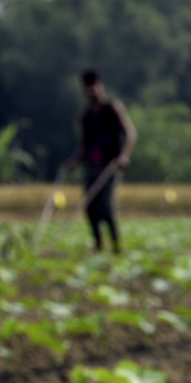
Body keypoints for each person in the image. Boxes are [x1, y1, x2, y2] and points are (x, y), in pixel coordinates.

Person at [64, 69, 137, 253]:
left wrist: (123, 156)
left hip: (110, 166)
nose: (92, 90)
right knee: (89, 208)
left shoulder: (112, 108)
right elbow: (85, 146)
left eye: (95, 85)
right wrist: (73, 162)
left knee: (105, 206)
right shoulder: (86, 116)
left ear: (101, 86)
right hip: (92, 166)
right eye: (88, 87)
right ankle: (98, 245)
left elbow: (130, 134)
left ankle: (116, 245)